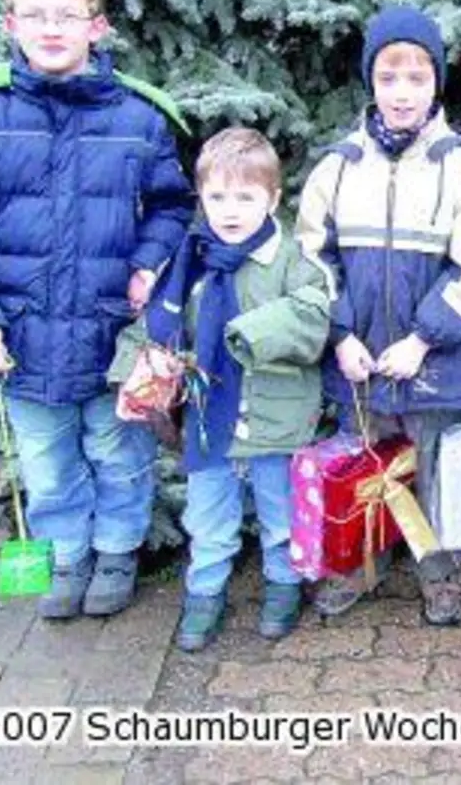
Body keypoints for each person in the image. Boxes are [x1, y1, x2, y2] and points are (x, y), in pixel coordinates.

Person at [0, 0, 193, 619]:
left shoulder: (137, 120)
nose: (51, 28)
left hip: (111, 334)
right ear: (11, 23)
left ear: (96, 27)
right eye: (35, 14)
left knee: (120, 453)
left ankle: (118, 550)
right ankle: (66, 556)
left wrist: (146, 262)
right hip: (22, 339)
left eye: (67, 15)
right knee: (47, 464)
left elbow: (173, 207)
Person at [294, 5, 461, 626]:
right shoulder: (336, 169)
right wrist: (340, 335)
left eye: (417, 77)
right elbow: (312, 259)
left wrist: (422, 340)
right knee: (365, 467)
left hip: (430, 366)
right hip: (360, 363)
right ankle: (362, 564)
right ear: (371, 81)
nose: (402, 92)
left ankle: (440, 573)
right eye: (388, 77)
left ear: (437, 82)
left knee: (433, 472)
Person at [130, 128, 331, 651]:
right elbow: (159, 322)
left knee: (280, 513)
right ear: (201, 197)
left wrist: (246, 332)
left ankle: (284, 585)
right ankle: (205, 591)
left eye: (245, 197)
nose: (230, 210)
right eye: (217, 197)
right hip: (208, 416)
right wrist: (149, 367)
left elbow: (313, 318)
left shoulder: (293, 261)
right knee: (208, 515)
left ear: (273, 199)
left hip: (275, 417)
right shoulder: (190, 259)